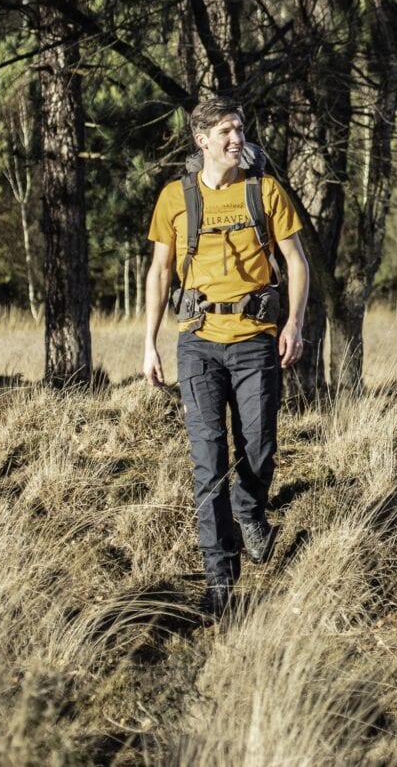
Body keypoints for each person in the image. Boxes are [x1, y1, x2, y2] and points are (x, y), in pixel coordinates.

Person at [143, 94, 309, 617]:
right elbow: (159, 272)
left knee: (259, 444)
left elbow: (296, 263)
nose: (238, 140)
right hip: (197, 340)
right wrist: (148, 342)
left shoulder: (265, 191)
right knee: (207, 460)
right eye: (227, 134)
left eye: (240, 130)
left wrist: (294, 324)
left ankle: (250, 506)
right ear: (203, 142)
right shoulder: (175, 197)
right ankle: (221, 577)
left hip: (257, 335)